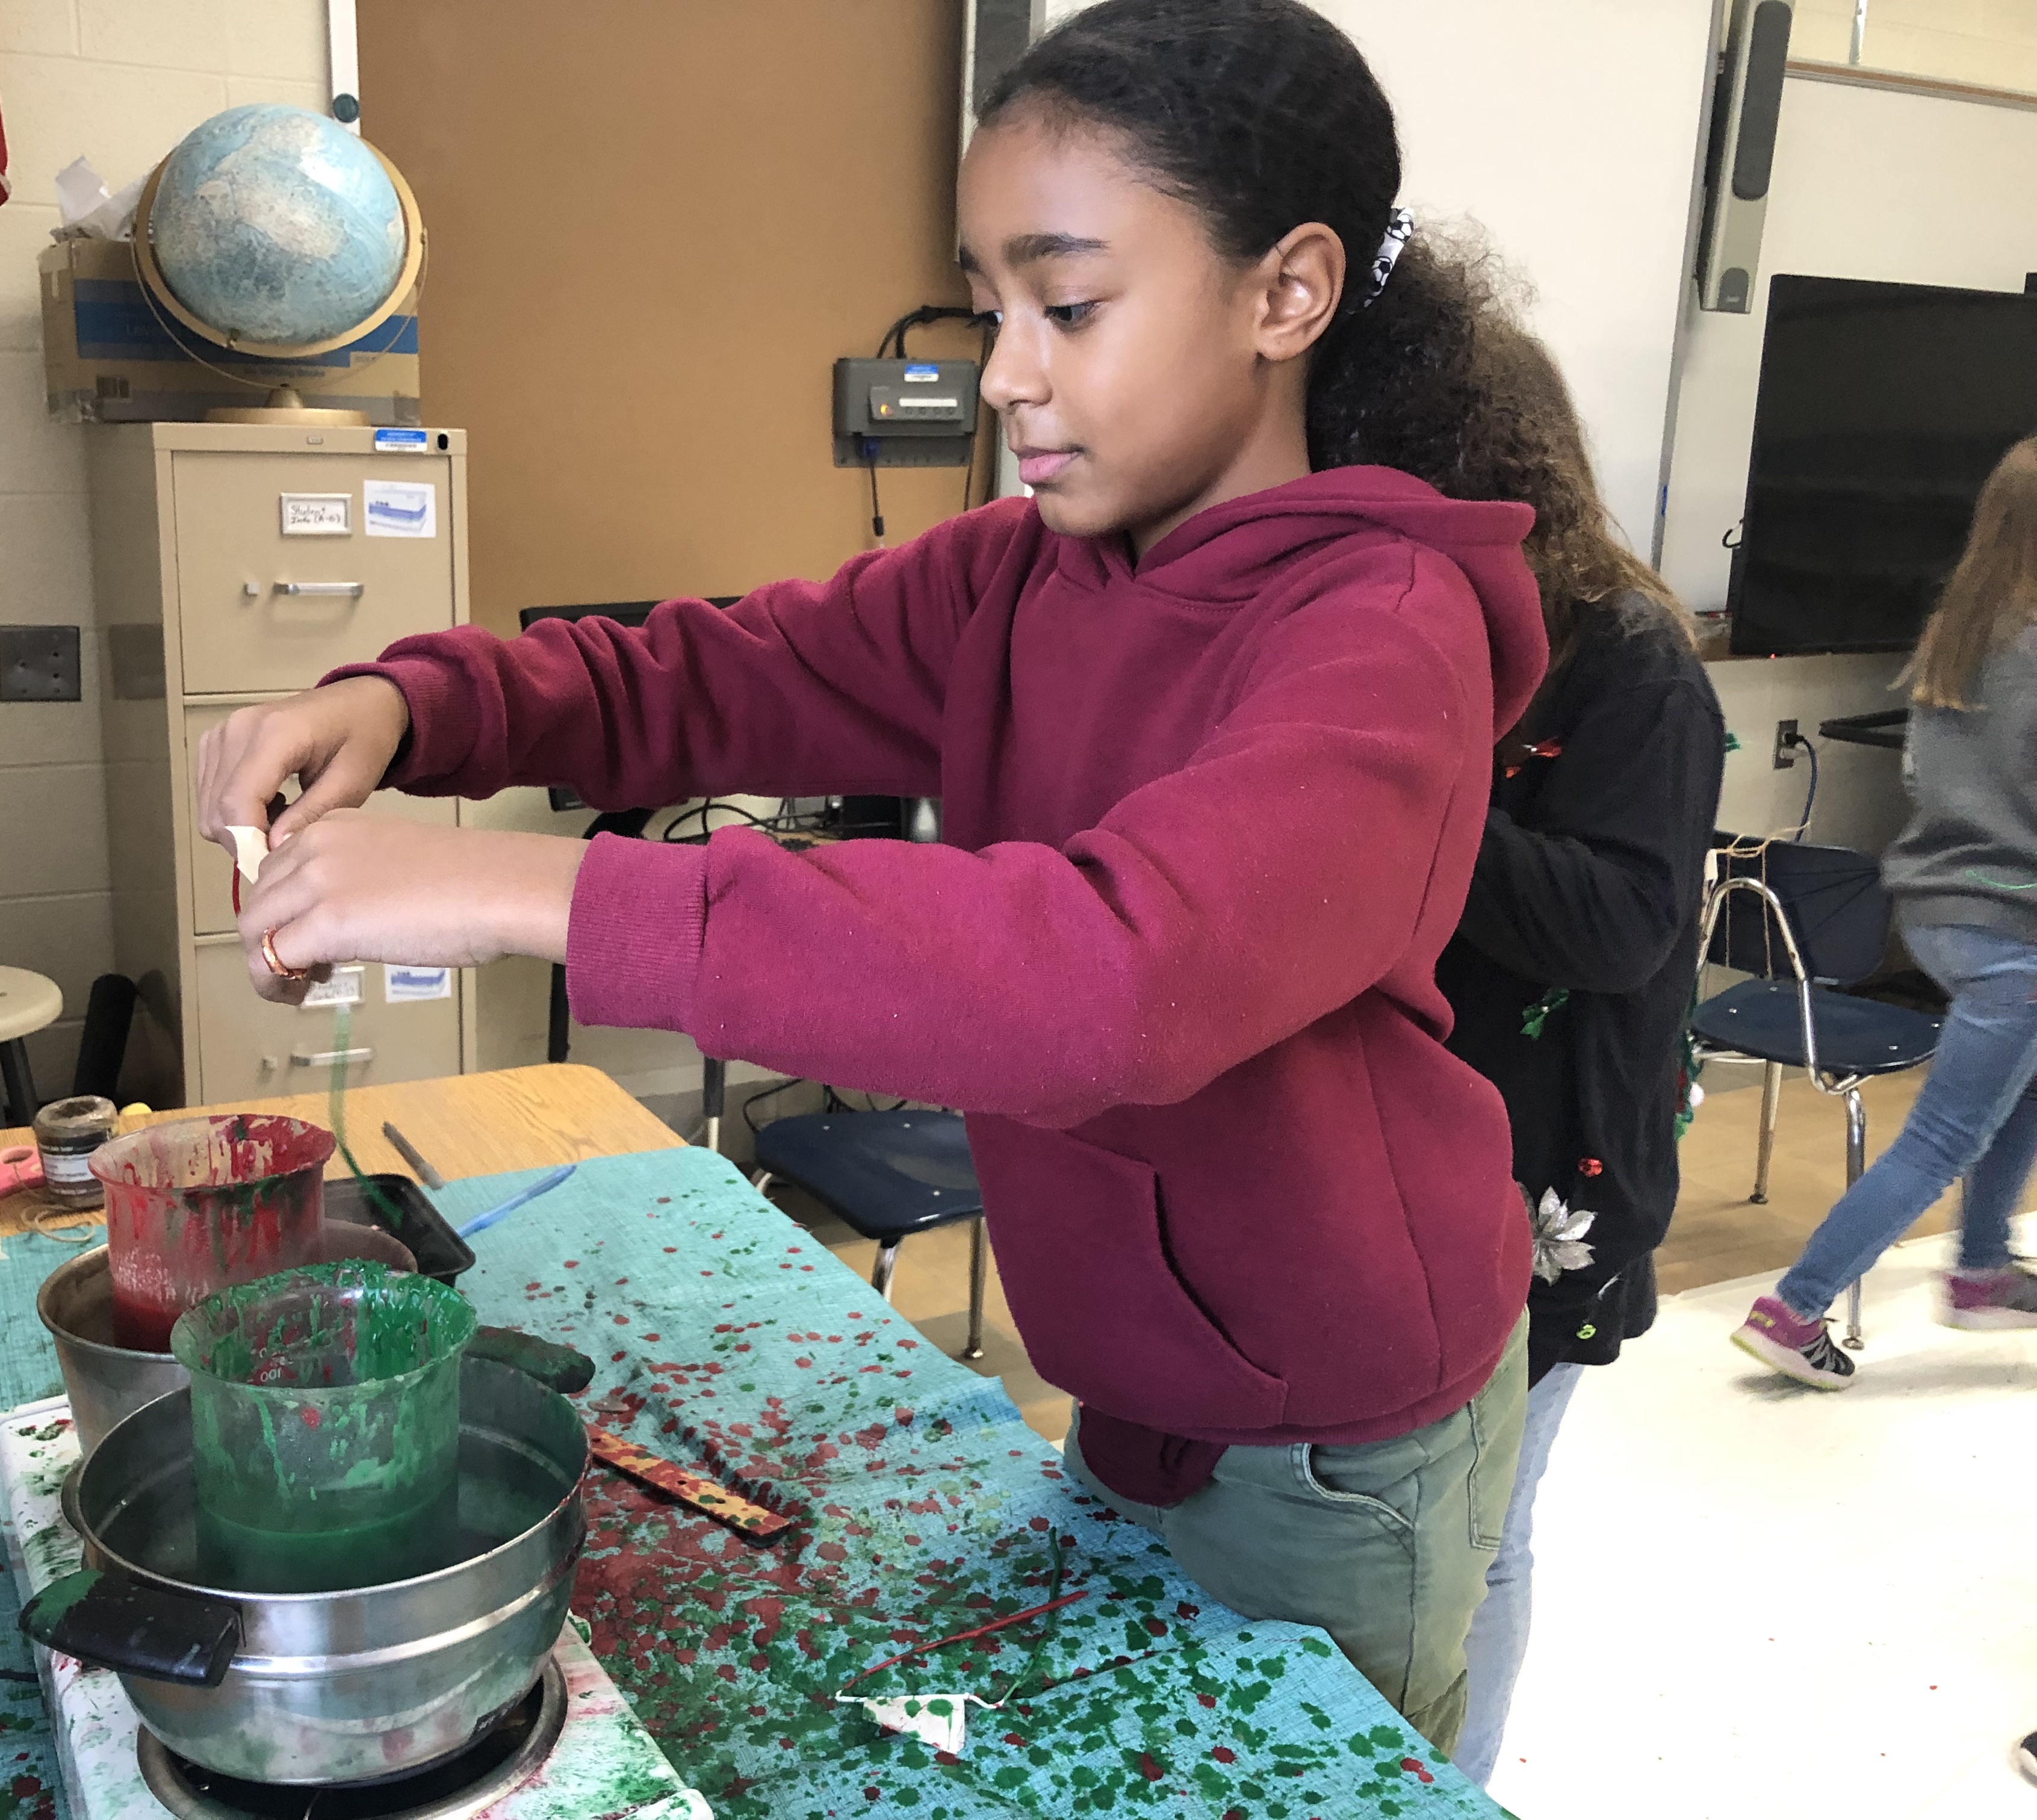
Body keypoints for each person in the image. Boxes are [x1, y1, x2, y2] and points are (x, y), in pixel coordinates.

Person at [198, 0, 1551, 1750]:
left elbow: (1108, 984)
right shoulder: (1015, 577)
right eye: (993, 311)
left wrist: (519, 894)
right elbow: (702, 673)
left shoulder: (1384, 634)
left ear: (1284, 295)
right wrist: (404, 699)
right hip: (1134, 1385)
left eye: (1068, 307)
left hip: (1335, 1444)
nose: (1004, 375)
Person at [1432, 330, 1725, 1785]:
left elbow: (1623, 923)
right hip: (1418, 1144)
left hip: (1550, 1166)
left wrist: (1407, 806)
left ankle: (1457, 1790)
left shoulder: (1632, 665)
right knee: (1407, 1517)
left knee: (1485, 1533)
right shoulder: (1439, 641)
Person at [1734, 436, 2037, 1388]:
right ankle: (1796, 1307)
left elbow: (1927, 773)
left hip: (1941, 910)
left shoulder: (1962, 631)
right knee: (1946, 1133)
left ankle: (1983, 1268)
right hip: (2013, 926)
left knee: (2026, 1088)